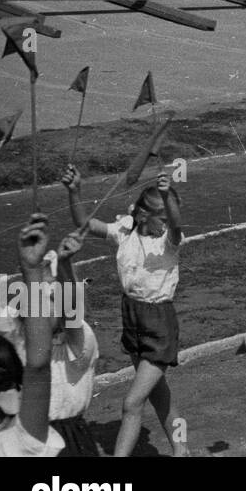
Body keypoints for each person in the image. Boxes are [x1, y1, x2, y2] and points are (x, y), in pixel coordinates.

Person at [62, 164, 189, 457]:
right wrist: (74, 191)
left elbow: (177, 223)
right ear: (143, 215)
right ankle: (183, 450)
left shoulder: (168, 241)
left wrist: (168, 195)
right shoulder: (124, 232)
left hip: (160, 325)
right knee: (158, 393)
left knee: (132, 403)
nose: (167, 221)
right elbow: (84, 222)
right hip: (132, 317)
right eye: (162, 216)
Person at [0, 215, 63, 457]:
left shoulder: (16, 445)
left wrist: (32, 271)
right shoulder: (12, 322)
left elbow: (38, 364)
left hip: (50, 420)